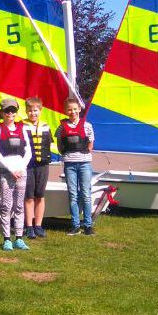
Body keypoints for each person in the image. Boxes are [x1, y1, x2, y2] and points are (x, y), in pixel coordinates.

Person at [0, 97, 32, 251]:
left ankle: (19, 238)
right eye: (7, 111)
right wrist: (10, 169)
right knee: (6, 206)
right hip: (5, 171)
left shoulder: (22, 129)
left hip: (21, 171)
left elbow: (28, 151)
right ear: (2, 113)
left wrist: (21, 168)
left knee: (19, 205)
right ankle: (7, 239)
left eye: (13, 111)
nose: (10, 114)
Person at [56, 97, 95, 236]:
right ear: (65, 111)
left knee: (86, 194)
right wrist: (65, 154)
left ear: (79, 109)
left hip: (84, 164)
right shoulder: (61, 127)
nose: (72, 112)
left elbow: (90, 144)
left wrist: (84, 152)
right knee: (73, 195)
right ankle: (75, 226)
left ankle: (88, 226)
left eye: (74, 109)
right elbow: (59, 144)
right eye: (69, 109)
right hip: (69, 164)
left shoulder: (87, 126)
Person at [23, 96, 53, 239]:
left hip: (43, 165)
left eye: (35, 110)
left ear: (40, 111)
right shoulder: (22, 126)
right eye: (29, 111)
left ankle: (38, 226)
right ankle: (29, 226)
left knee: (40, 195)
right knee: (29, 196)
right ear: (26, 111)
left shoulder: (46, 126)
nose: (32, 113)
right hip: (28, 166)